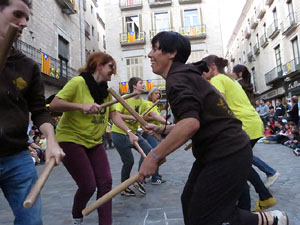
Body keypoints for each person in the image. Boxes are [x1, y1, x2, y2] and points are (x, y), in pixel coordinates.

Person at [139, 31, 288, 225]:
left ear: (172, 53)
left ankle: (270, 220)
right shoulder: (184, 77)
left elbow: (191, 124)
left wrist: (154, 156)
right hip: (219, 153)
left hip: (227, 153)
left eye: (155, 49)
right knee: (191, 203)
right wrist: (163, 130)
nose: (150, 55)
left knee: (205, 216)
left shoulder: (178, 80)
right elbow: (198, 119)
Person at [50, 52, 139, 225]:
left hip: (95, 142)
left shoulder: (107, 92)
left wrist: (129, 131)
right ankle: (77, 214)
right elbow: (54, 104)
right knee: (88, 185)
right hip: (71, 139)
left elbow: (114, 115)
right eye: (110, 67)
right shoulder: (78, 83)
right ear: (99, 65)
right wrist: (81, 106)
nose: (113, 72)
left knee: (106, 183)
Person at [0, 1, 65, 225]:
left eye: (27, 18)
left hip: (17, 156)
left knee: (31, 222)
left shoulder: (27, 66)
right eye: (17, 15)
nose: (24, 23)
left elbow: (39, 109)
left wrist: (52, 140)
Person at [201, 56, 277, 212]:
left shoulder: (217, 80)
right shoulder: (230, 80)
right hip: (252, 123)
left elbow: (219, 103)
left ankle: (246, 207)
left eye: (204, 68)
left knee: (236, 165)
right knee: (241, 164)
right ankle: (262, 198)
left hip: (244, 125)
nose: (202, 73)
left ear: (212, 66)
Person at [231, 64, 279, 188]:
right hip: (251, 122)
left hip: (247, 123)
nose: (230, 73)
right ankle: (247, 177)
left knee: (243, 154)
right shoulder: (245, 85)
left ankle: (270, 172)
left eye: (232, 71)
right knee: (244, 154)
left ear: (239, 73)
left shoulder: (237, 85)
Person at [111, 77, 157, 196]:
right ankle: (124, 187)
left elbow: (152, 115)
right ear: (134, 86)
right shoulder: (125, 99)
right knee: (128, 162)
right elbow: (117, 115)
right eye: (141, 83)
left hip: (135, 133)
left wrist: (167, 125)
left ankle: (139, 178)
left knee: (148, 151)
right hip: (120, 133)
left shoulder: (142, 102)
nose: (143, 85)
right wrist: (133, 117)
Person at [142, 87, 168, 184]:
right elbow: (144, 117)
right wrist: (159, 119)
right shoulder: (148, 104)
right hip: (150, 132)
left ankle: (149, 174)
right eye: (156, 93)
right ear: (151, 95)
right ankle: (154, 177)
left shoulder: (155, 106)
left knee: (147, 154)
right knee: (156, 153)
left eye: (159, 94)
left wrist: (163, 117)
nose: (158, 95)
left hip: (156, 132)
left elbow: (159, 118)